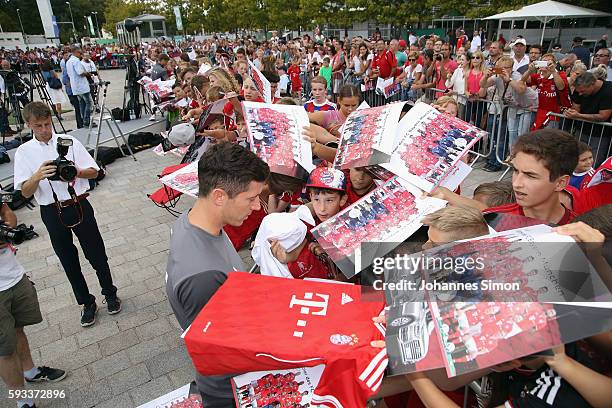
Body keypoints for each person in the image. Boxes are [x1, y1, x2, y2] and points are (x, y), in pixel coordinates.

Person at [166, 142, 269, 407]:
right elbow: (224, 354)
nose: (257, 207)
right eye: (250, 198)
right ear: (220, 196)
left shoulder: (191, 221)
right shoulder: (204, 276)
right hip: (233, 392)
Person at [13, 102, 121, 327]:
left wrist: (75, 171)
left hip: (78, 203)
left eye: (47, 123)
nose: (44, 129)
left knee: (97, 253)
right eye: (38, 126)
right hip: (51, 210)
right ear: (28, 125)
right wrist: (37, 176)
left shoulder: (69, 141)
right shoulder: (24, 152)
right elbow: (24, 192)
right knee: (68, 261)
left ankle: (110, 293)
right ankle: (86, 303)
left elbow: (95, 171)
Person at [0, 203, 67, 408]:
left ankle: (30, 372)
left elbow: (6, 211)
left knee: (18, 329)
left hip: (14, 277)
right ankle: (23, 402)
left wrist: (6, 232)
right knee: (5, 350)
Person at [484, 128, 579, 225]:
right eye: (516, 170)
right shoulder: (491, 220)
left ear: (560, 183)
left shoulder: (581, 234)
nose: (516, 183)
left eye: (530, 176)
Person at [521, 53, 570, 130]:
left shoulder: (561, 74)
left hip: (556, 115)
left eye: (548, 62)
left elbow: (561, 87)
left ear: (554, 64)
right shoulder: (538, 77)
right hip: (541, 113)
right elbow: (523, 80)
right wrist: (529, 70)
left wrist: (553, 71)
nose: (546, 64)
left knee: (548, 138)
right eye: (543, 62)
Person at [65, 46, 95, 127]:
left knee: (82, 103)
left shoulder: (68, 61)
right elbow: (80, 72)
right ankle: (86, 120)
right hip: (81, 86)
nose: (80, 55)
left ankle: (83, 120)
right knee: (89, 103)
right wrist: (88, 73)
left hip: (75, 86)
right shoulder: (76, 61)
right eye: (80, 53)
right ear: (76, 52)